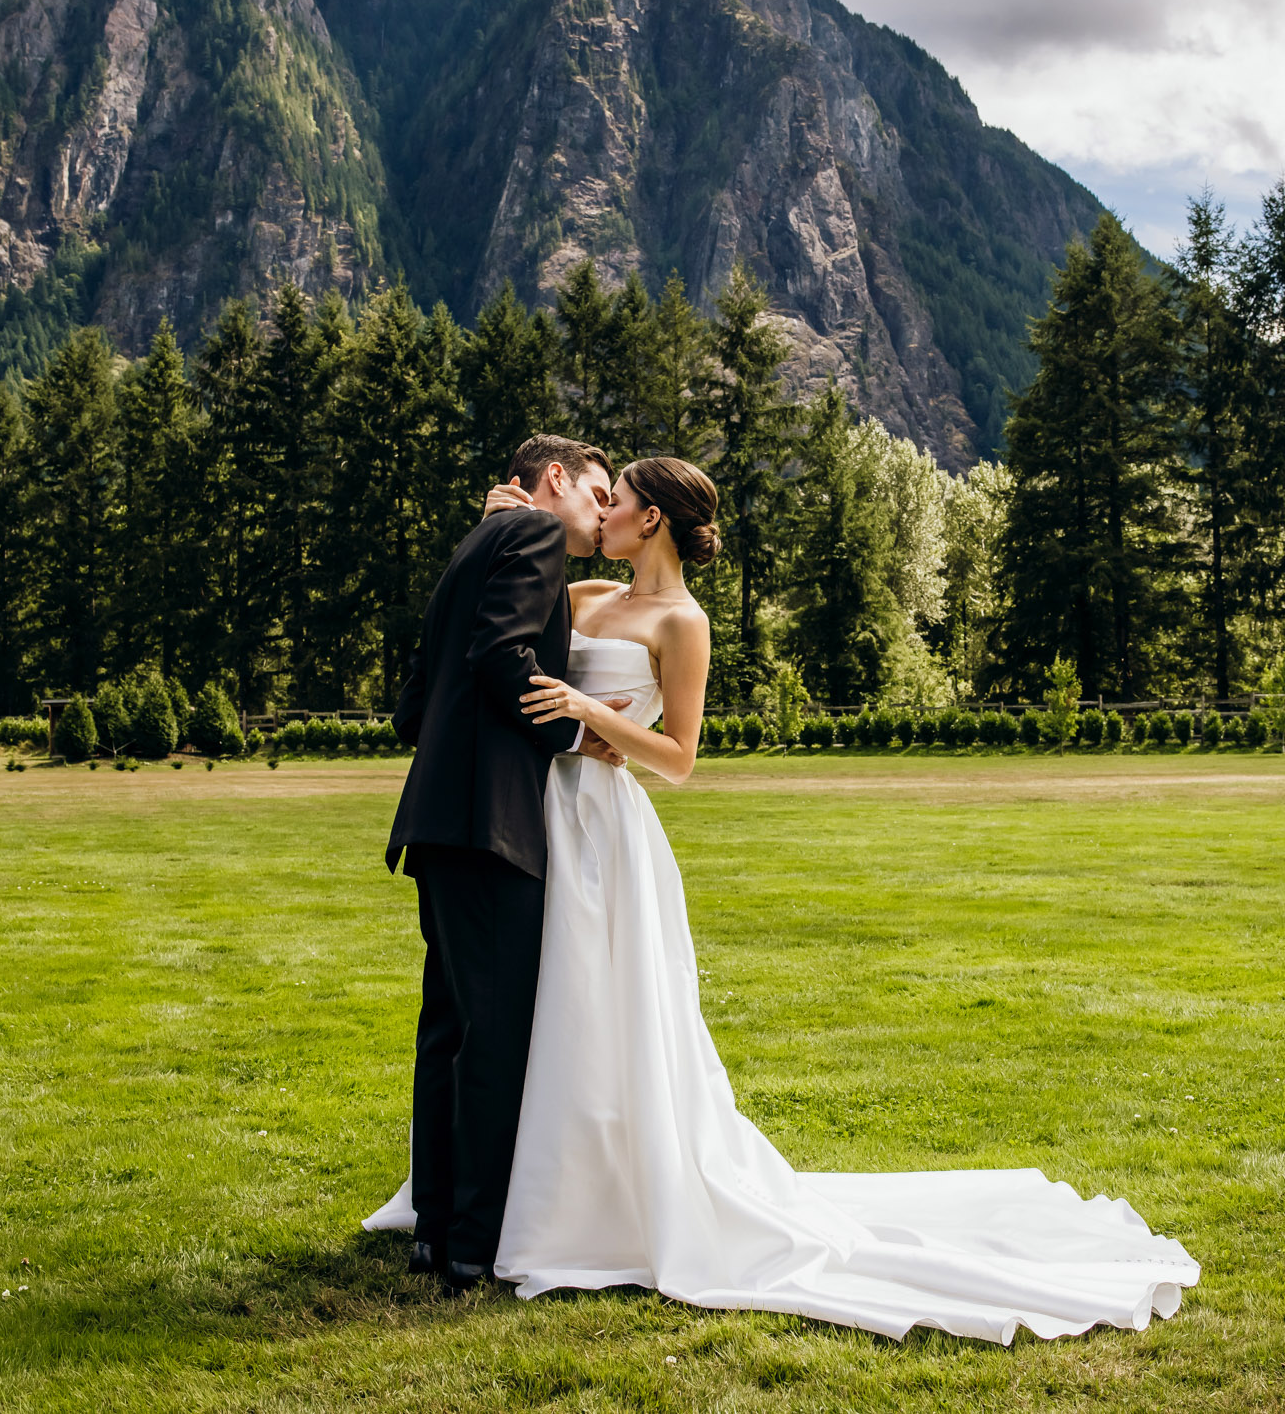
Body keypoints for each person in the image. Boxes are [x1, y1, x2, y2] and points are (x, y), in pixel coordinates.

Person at [371, 456, 1199, 1343]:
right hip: (534, 810)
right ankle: (489, 1205)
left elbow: (680, 757)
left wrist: (600, 720)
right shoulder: (581, 595)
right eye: (598, 497)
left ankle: (569, 1200)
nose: (603, 511)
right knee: (514, 1015)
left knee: (587, 1013)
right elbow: (502, 628)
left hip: (603, 827)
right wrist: (506, 517)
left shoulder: (683, 623)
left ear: (652, 520)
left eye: (619, 502)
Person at [383, 433, 624, 1292]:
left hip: (438, 822)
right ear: (552, 479)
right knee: (493, 1037)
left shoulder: (473, 547)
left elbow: (416, 706)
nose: (602, 514)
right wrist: (577, 733)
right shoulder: (531, 538)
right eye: (598, 494)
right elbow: (502, 656)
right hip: (493, 824)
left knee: (446, 1027)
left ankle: (435, 1227)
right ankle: (475, 1243)